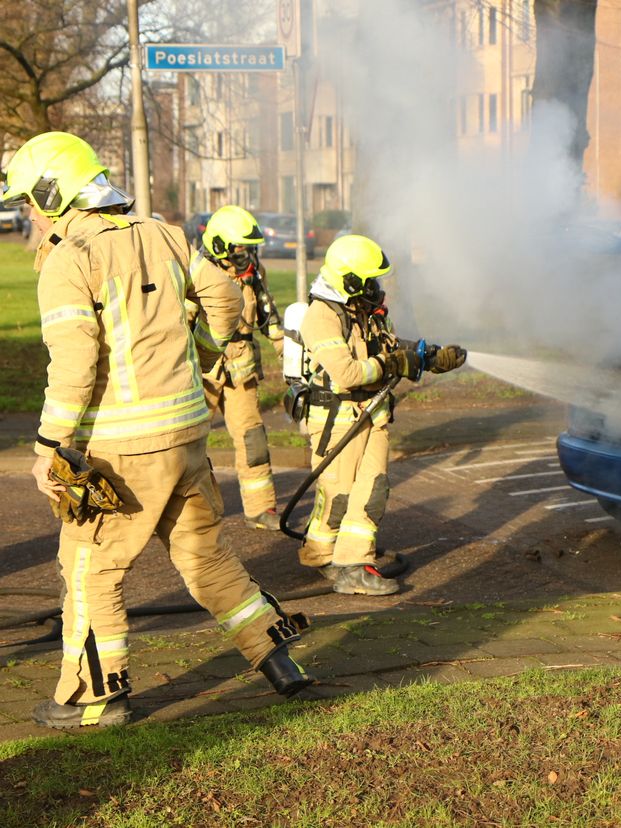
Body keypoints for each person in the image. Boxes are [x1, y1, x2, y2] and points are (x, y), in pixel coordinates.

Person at [3, 131, 314, 729]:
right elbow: (221, 293)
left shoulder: (72, 258)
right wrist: (211, 346)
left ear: (53, 193)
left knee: (90, 569)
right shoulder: (166, 234)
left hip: (121, 453)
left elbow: (73, 365)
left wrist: (47, 446)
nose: (32, 216)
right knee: (207, 558)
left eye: (31, 202)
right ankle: (279, 661)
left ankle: (95, 699)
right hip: (188, 439)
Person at [298, 234, 465, 595]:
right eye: (370, 279)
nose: (376, 287)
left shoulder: (360, 310)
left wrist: (428, 357)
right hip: (338, 419)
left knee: (373, 489)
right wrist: (394, 363)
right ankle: (321, 554)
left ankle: (353, 565)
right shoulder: (322, 316)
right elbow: (346, 374)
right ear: (351, 280)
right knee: (338, 494)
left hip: (373, 414)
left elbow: (387, 347)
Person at [190, 205, 284, 530]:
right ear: (220, 246)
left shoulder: (253, 272)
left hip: (241, 367)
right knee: (188, 443)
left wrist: (290, 358)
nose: (246, 254)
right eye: (240, 247)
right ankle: (192, 513)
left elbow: (270, 317)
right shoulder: (196, 272)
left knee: (252, 437)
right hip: (202, 369)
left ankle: (261, 509)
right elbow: (180, 322)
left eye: (249, 247)